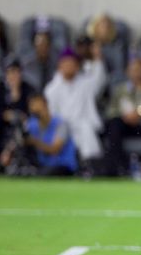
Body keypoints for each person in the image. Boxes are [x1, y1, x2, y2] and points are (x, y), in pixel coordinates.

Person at [43, 45, 106, 174]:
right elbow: (51, 115)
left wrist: (98, 59)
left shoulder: (86, 84)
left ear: (77, 66)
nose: (69, 66)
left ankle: (91, 168)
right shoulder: (51, 89)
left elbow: (100, 81)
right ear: (60, 66)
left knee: (86, 132)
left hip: (82, 127)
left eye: (72, 63)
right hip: (61, 128)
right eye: (66, 63)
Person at [23, 92, 78, 176]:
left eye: (39, 108)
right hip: (43, 165)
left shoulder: (60, 124)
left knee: (43, 174)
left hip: (62, 165)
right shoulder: (31, 124)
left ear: (46, 106)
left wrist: (34, 142)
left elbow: (55, 149)